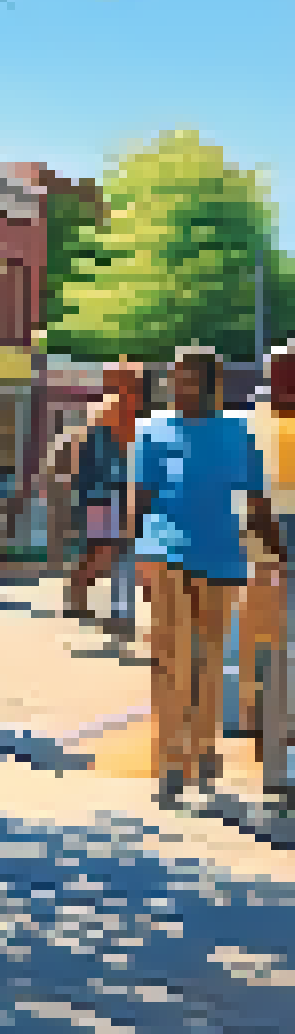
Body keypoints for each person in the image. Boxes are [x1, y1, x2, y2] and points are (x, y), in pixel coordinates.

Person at [135, 348, 282, 809]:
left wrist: (278, 553)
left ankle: (202, 751)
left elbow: (255, 502)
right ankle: (169, 763)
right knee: (169, 657)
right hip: (164, 550)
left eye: (189, 380)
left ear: (210, 384)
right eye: (176, 378)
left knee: (210, 658)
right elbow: (138, 499)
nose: (180, 387)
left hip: (220, 555)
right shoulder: (151, 430)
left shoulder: (236, 432)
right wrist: (137, 554)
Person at [236, 346, 295, 809]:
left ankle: (274, 752)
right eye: (281, 372)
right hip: (262, 554)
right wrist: (274, 553)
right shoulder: (252, 424)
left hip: (269, 550)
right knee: (272, 657)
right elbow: (251, 498)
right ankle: (273, 758)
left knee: (278, 660)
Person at [63, 363, 145, 644]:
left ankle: (116, 610)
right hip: (100, 493)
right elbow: (84, 460)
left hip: (126, 493)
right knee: (102, 549)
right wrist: (82, 493)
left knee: (119, 550)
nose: (130, 385)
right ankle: (78, 589)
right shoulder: (101, 413)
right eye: (125, 379)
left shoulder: (138, 413)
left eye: (133, 380)